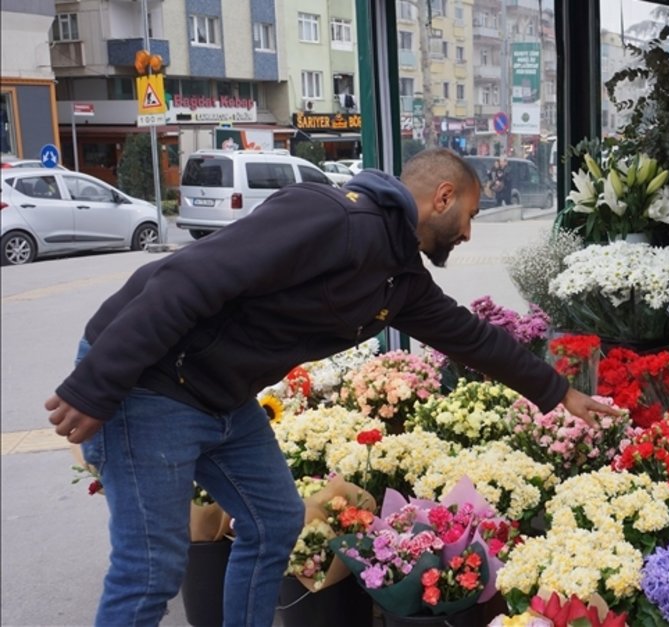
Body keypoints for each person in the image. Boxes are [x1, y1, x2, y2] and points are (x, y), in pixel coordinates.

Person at [45, 148, 615, 627]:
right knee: (150, 571)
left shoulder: (400, 276)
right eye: (469, 214)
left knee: (273, 524)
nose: (468, 231)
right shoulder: (330, 218)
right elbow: (186, 277)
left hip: (220, 394)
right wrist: (97, 384)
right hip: (152, 380)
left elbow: (470, 337)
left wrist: (558, 392)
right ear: (442, 197)